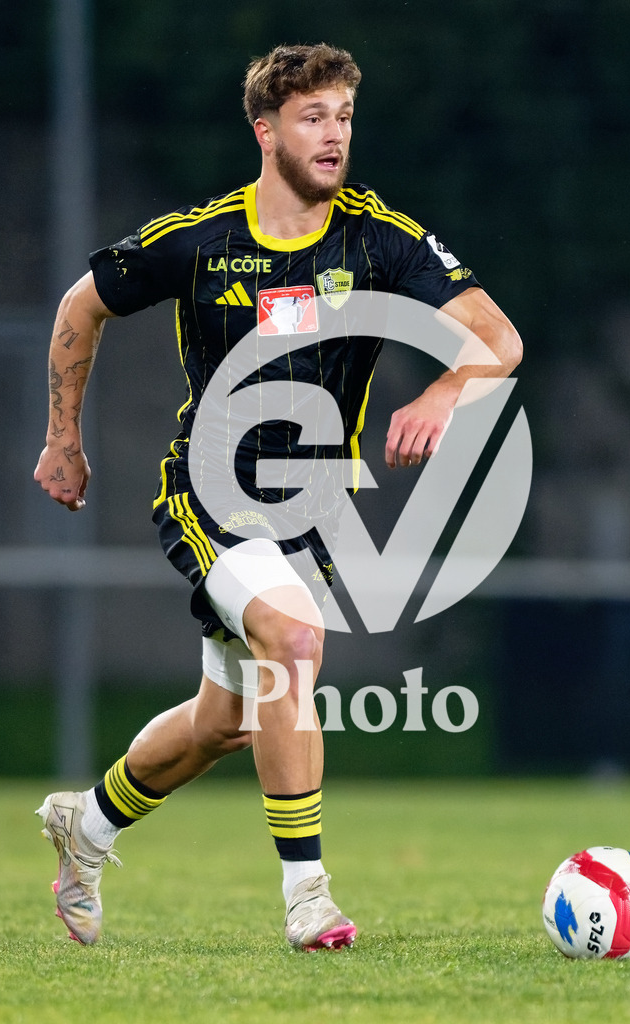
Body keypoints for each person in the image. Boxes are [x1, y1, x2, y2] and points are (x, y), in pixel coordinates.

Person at [33, 42, 522, 952]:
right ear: (266, 132)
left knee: (226, 722)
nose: (334, 135)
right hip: (210, 493)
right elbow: (79, 306)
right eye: (312, 118)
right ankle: (310, 898)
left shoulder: (380, 238)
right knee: (295, 641)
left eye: (343, 116)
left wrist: (446, 391)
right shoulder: (203, 239)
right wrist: (64, 436)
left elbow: (500, 339)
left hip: (309, 510)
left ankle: (87, 826)